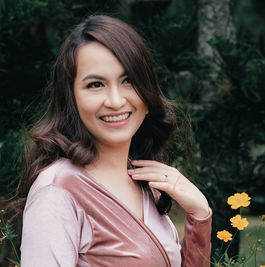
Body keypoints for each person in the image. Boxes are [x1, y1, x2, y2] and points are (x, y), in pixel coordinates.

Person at [18, 15, 212, 267]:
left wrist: (199, 214)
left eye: (128, 80)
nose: (116, 100)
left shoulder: (147, 182)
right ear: (71, 97)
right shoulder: (58, 192)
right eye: (96, 84)